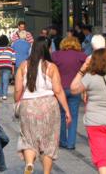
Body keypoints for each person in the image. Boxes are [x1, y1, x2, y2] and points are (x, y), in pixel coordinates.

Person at [14, 37, 71, 174]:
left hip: (28, 105)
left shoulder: (23, 65)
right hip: (48, 105)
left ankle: (29, 163)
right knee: (49, 141)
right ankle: (46, 172)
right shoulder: (51, 67)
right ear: (47, 49)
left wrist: (17, 102)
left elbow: (17, 90)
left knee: (28, 138)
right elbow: (58, 90)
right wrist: (67, 110)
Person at [51, 36, 87, 150]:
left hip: (60, 89)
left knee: (61, 115)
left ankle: (62, 141)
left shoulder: (56, 55)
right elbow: (88, 65)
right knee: (74, 115)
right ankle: (71, 143)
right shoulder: (81, 55)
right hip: (75, 88)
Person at [0, 35, 16, 100]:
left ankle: (0, 95)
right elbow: (13, 60)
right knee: (5, 81)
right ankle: (4, 95)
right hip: (7, 67)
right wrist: (13, 69)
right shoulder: (11, 49)